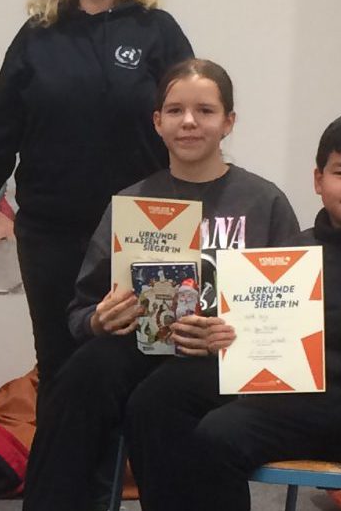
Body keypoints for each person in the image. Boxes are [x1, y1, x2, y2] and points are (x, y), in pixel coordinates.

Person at [124, 111, 341, 511]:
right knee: (212, 438)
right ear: (318, 180)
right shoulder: (282, 257)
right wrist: (223, 339)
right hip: (289, 410)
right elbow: (241, 344)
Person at [22, 58, 302, 511]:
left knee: (156, 403)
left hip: (225, 360)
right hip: (140, 345)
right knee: (77, 379)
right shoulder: (133, 201)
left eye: (205, 110)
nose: (188, 121)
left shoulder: (263, 202)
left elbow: (291, 315)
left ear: (228, 122)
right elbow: (80, 311)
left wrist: (234, 333)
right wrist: (98, 319)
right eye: (175, 110)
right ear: (157, 122)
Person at [0, 0, 195, 384]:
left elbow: (189, 126)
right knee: (61, 367)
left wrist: (206, 196)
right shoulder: (36, 37)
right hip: (52, 234)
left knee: (146, 364)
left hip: (145, 231)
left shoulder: (159, 31)